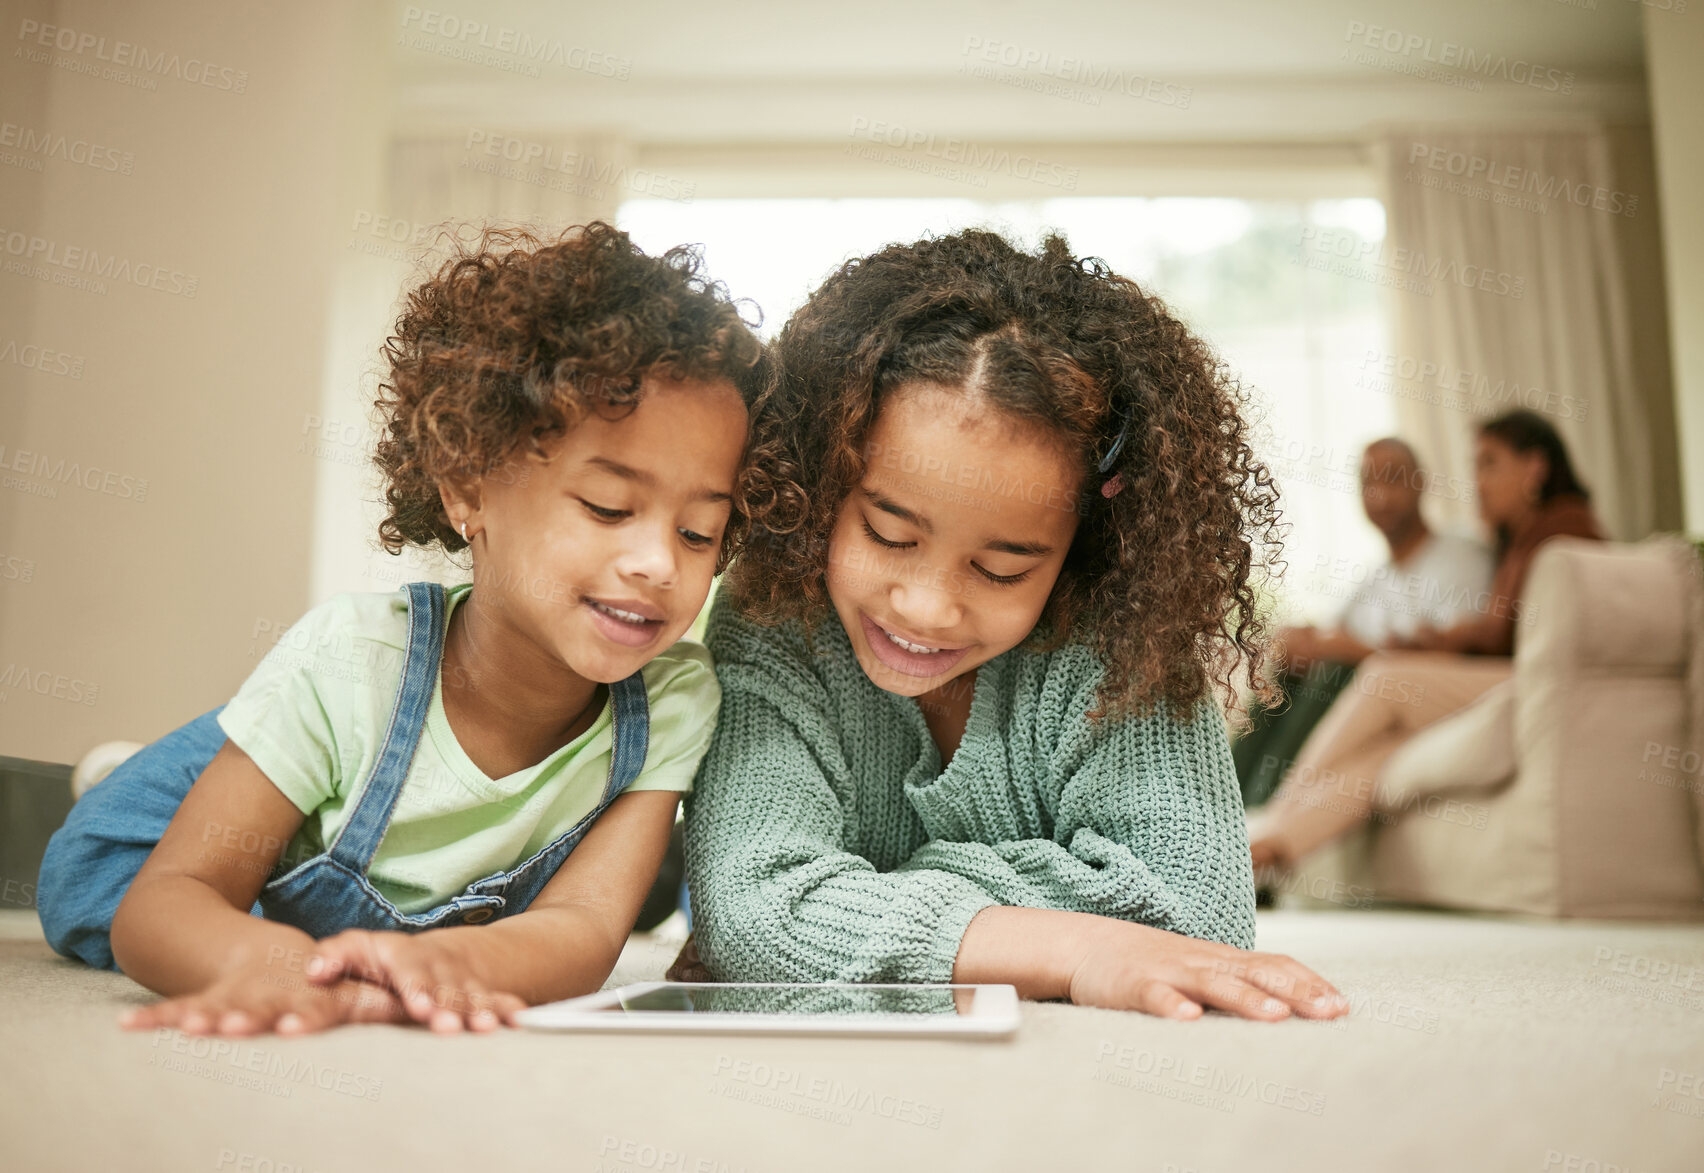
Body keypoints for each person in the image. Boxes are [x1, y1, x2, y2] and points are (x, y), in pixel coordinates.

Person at [36, 223, 765, 1036]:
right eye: (607, 507)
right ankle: (141, 768)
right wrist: (272, 965)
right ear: (466, 488)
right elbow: (162, 906)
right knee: (85, 886)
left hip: (404, 846)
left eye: (699, 532)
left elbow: (587, 926)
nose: (658, 562)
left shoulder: (676, 696)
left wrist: (460, 961)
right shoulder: (349, 660)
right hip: (220, 801)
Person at [670, 229, 1349, 1023]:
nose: (925, 607)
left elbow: (1197, 916)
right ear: (824, 483)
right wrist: (1074, 944)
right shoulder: (776, 614)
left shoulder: (1123, 631)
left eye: (1001, 570)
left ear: (1083, 549)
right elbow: (752, 917)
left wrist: (873, 887)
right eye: (889, 535)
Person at [1247, 409, 1606, 874]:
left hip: (1528, 685)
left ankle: (1272, 815)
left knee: (1382, 678)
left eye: (1489, 464)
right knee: (1381, 754)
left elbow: (1528, 635)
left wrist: (1456, 637)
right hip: (1499, 680)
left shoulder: (1564, 531)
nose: (1477, 481)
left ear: (1535, 468)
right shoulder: (1519, 539)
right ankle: (1268, 853)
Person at [1234, 438, 1493, 807]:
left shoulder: (1460, 557)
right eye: (1368, 483)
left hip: (1406, 699)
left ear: (1419, 483)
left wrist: (1349, 650)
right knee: (1291, 669)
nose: (1379, 495)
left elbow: (1450, 654)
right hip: (1356, 695)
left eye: (1392, 479)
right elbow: (1327, 634)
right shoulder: (1375, 579)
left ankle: (1266, 809)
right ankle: (1224, 805)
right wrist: (1299, 639)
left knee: (1335, 668)